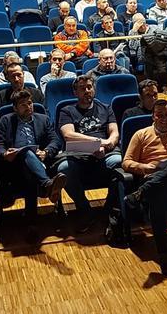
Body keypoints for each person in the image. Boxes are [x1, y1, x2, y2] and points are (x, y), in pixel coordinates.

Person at [122, 100, 167, 277]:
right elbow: (126, 162)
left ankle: (142, 192)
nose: (164, 118)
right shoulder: (141, 135)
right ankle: (163, 255)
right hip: (153, 177)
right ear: (153, 117)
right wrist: (145, 168)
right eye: (159, 115)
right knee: (157, 191)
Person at [56, 76, 121, 231]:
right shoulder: (67, 111)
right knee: (63, 169)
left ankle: (108, 209)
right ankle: (85, 210)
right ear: (75, 92)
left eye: (90, 87)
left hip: (105, 155)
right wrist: (96, 143)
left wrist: (106, 146)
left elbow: (114, 133)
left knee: (119, 162)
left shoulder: (106, 108)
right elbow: (68, 135)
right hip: (79, 157)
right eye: (82, 88)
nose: (87, 91)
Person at [0, 90, 67, 210]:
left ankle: (31, 220)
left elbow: (55, 141)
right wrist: (5, 154)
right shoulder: (6, 121)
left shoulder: (43, 119)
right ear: (15, 108)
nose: (28, 107)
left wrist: (46, 152)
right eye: (23, 105)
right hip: (14, 164)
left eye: (30, 103)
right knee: (27, 153)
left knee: (30, 173)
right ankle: (47, 184)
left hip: (40, 161)